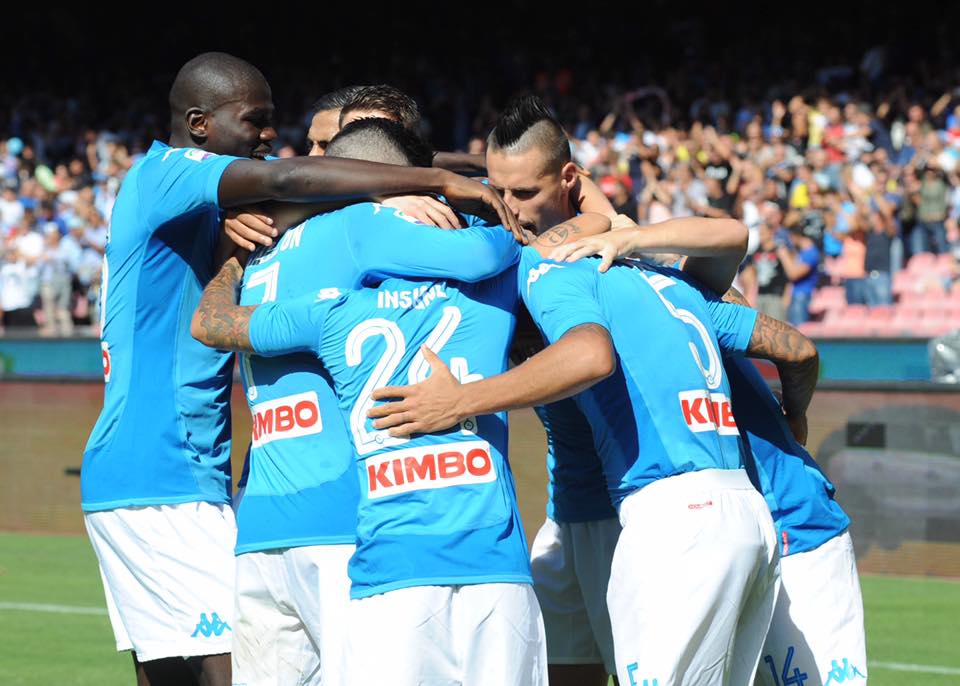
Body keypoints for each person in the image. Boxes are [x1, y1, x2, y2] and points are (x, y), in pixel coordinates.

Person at [80, 51, 519, 686]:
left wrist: (441, 169)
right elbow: (292, 178)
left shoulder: (203, 202)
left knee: (173, 670)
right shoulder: (170, 174)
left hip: (158, 472)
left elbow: (300, 182)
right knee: (228, 667)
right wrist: (435, 183)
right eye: (254, 120)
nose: (269, 136)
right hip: (165, 471)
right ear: (199, 124)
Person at [368, 224, 816, 685]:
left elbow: (589, 349)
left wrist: (460, 400)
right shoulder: (659, 287)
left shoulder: (555, 270)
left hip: (657, 510)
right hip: (640, 508)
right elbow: (798, 349)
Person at [226, 118, 525, 686]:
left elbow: (210, 324)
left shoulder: (258, 244)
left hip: (261, 520)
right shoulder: (357, 225)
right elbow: (484, 256)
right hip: (342, 519)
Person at [483, 94, 750, 686]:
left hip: (631, 505)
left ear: (567, 180)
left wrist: (623, 234)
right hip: (568, 507)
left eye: (523, 192)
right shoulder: (523, 238)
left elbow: (729, 240)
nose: (507, 208)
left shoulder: (592, 263)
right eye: (496, 190)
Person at [720, 291, 867, 686]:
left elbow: (799, 351)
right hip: (724, 536)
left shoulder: (687, 298)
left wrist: (795, 412)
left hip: (790, 524)